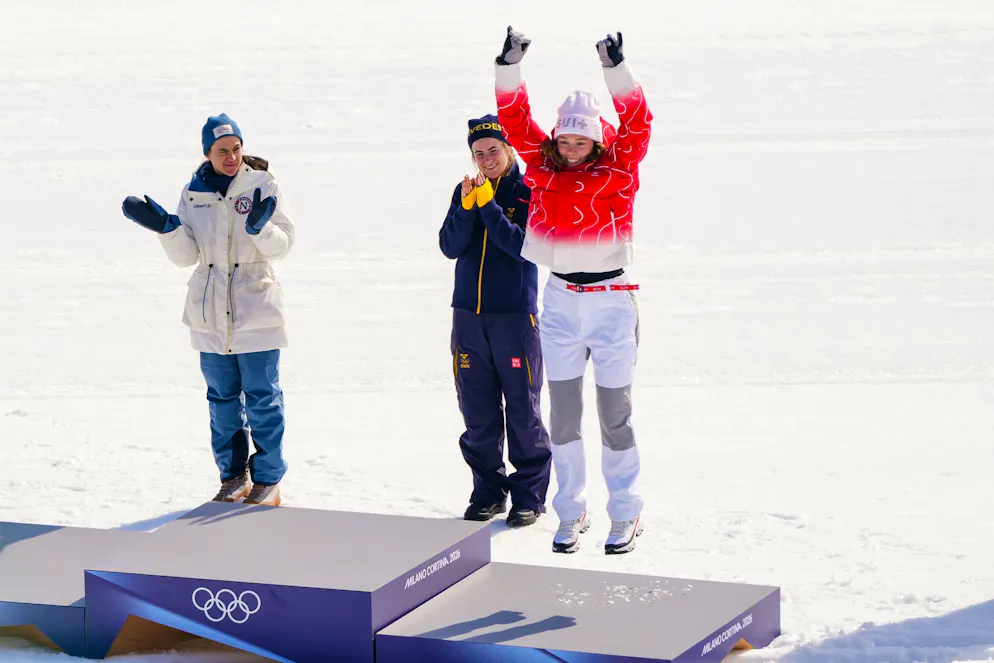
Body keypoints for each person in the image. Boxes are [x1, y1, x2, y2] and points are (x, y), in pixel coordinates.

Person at [493, 27, 652, 554]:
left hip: (610, 301)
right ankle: (571, 511)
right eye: (564, 139)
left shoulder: (620, 169)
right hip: (560, 300)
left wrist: (616, 70)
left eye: (580, 140)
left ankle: (625, 512)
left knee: (614, 415)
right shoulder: (541, 167)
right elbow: (514, 121)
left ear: (597, 142)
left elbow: (637, 121)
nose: (570, 148)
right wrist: (508, 64)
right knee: (561, 415)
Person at [121, 113, 295, 507]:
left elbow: (284, 245)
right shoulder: (193, 192)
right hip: (210, 313)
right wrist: (167, 227)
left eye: (236, 149)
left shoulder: (263, 184)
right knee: (222, 400)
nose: (232, 157)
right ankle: (233, 478)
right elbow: (187, 256)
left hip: (256, 309)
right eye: (222, 151)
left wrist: (260, 230)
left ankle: (268, 480)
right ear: (207, 153)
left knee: (263, 398)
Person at [439, 114, 552, 527]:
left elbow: (522, 247)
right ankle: (487, 492)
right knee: (478, 410)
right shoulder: (465, 190)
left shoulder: (529, 191)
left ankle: (529, 496)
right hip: (468, 318)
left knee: (523, 409)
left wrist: (488, 206)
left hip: (514, 319)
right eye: (478, 153)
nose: (486, 158)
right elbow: (449, 246)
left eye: (493, 150)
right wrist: (468, 207)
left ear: (508, 149)